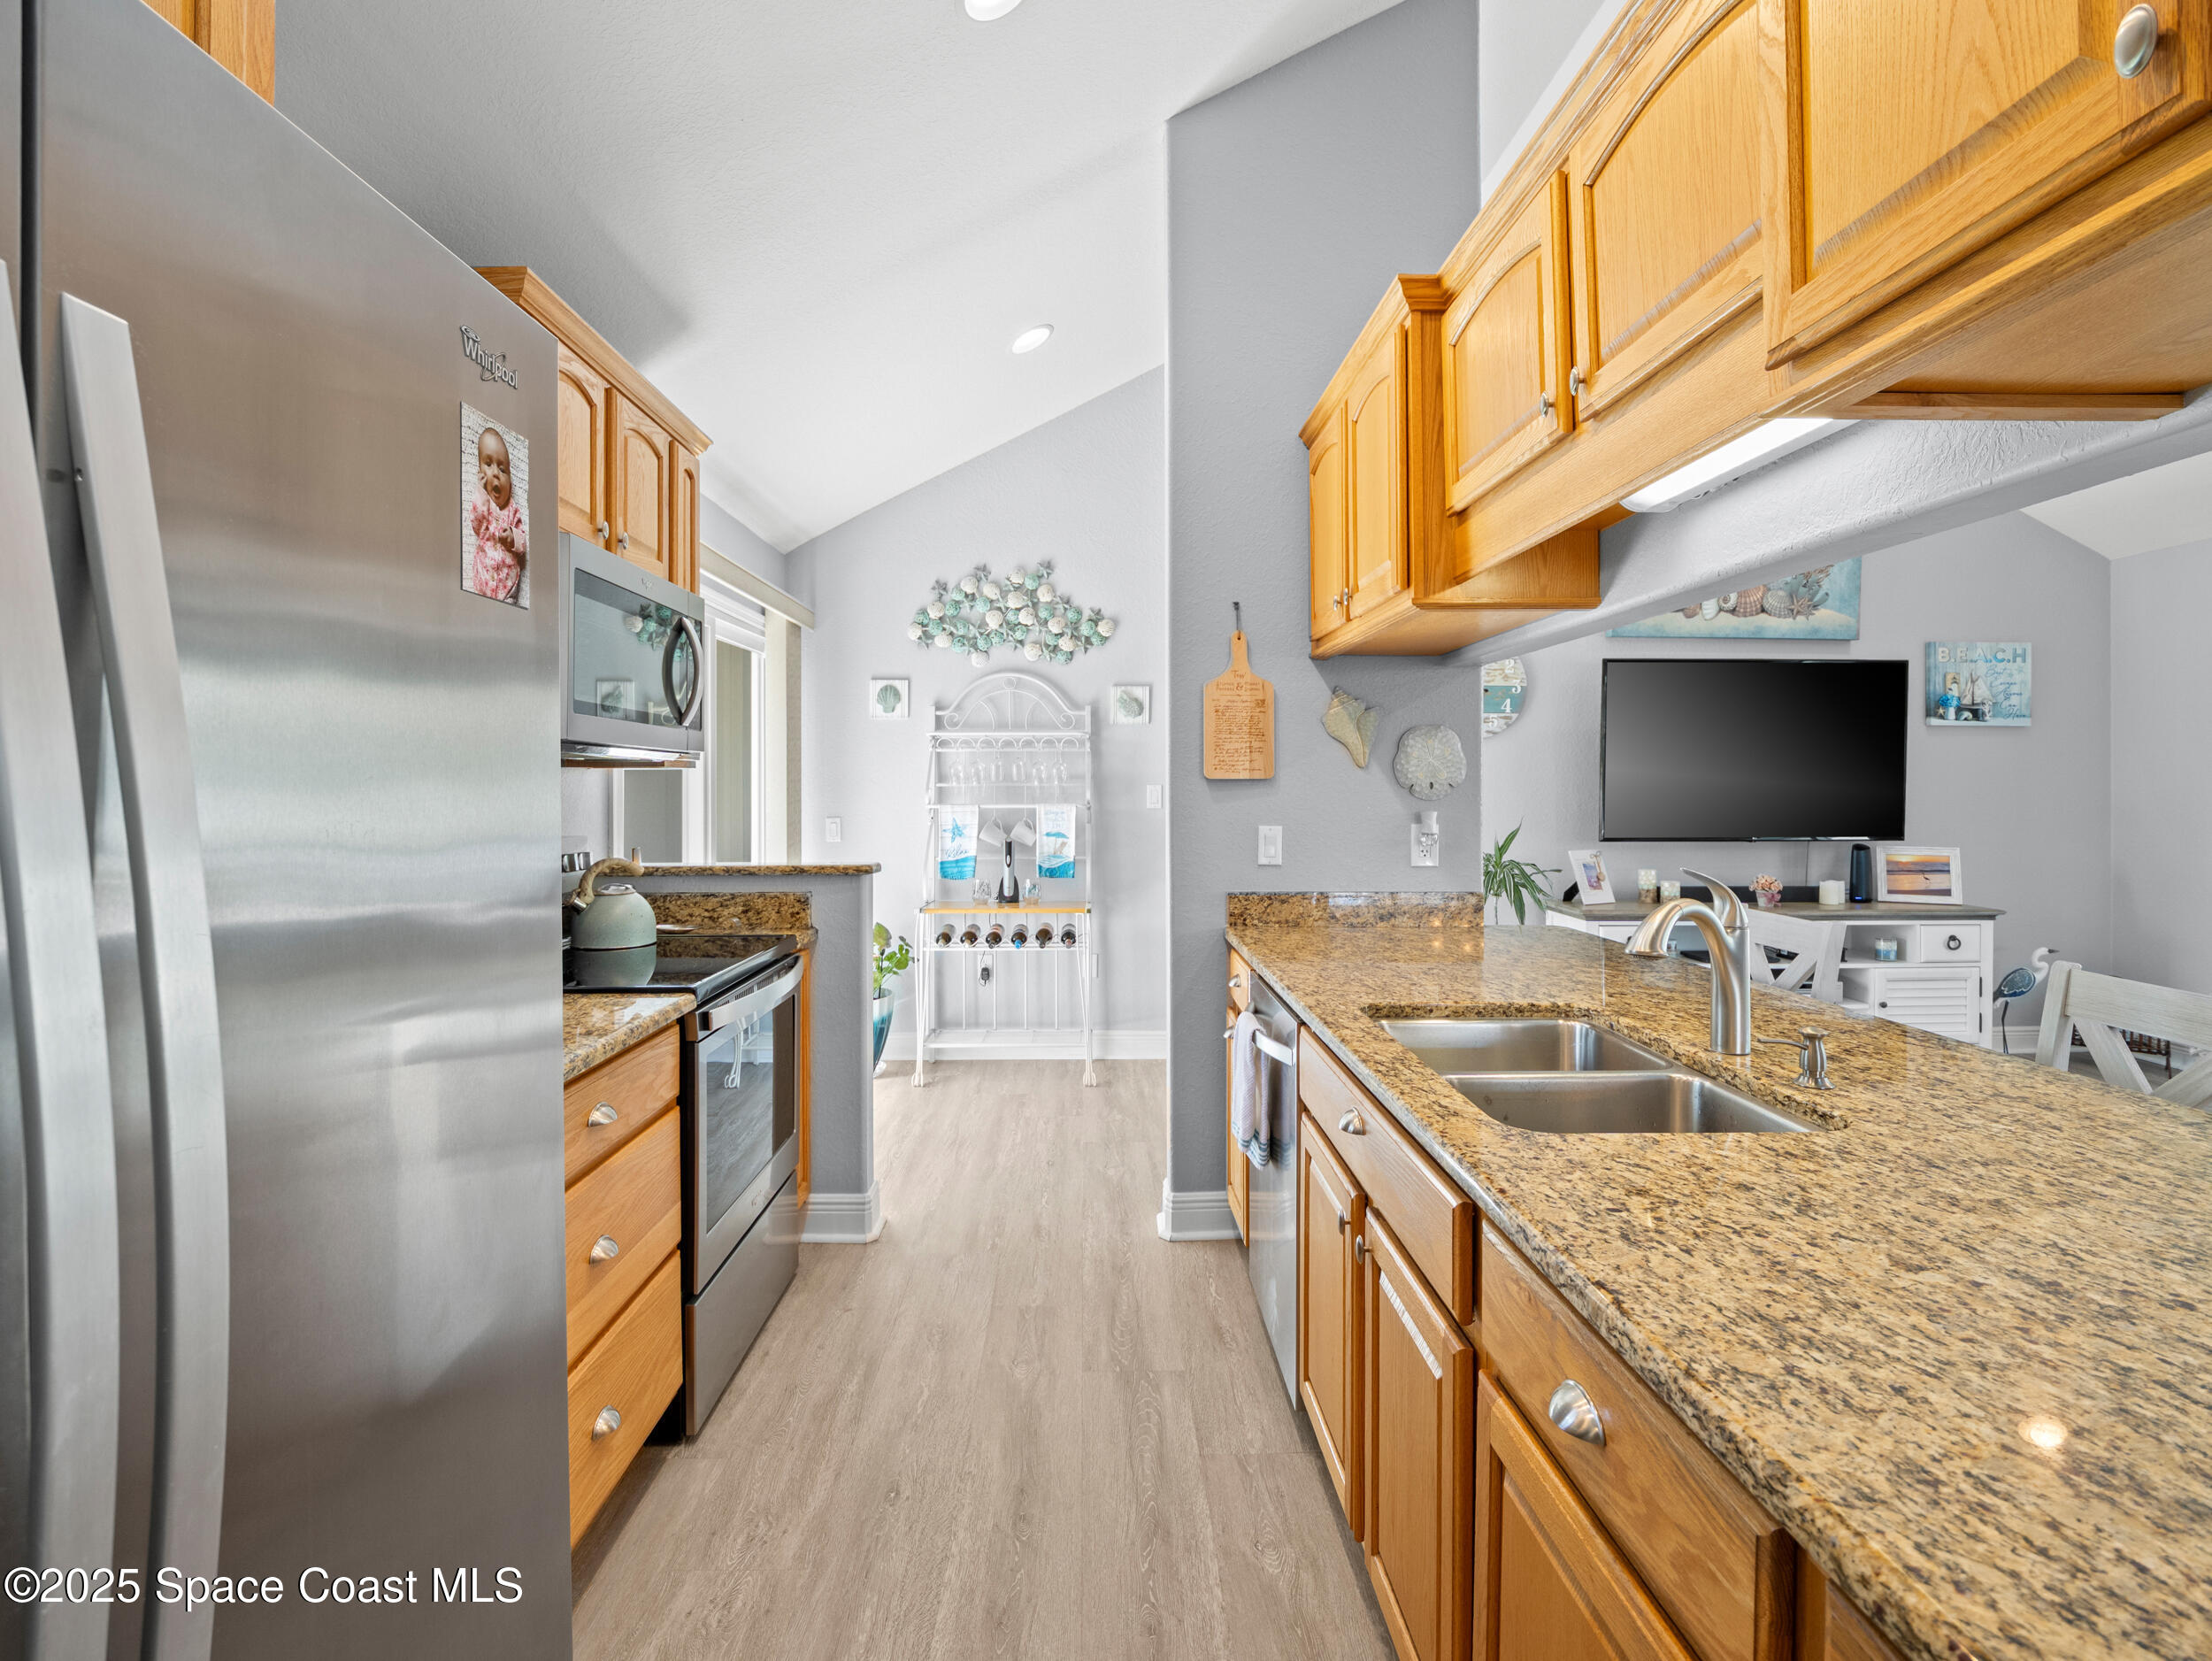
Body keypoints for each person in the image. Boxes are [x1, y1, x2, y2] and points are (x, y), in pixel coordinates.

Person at [469, 423, 526, 602]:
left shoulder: (512, 510)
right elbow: (476, 524)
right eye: (488, 464)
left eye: (503, 469)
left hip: (508, 589)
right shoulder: (482, 505)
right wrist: (480, 492)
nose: (496, 473)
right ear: (480, 473)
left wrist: (512, 537)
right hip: (483, 585)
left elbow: (523, 543)